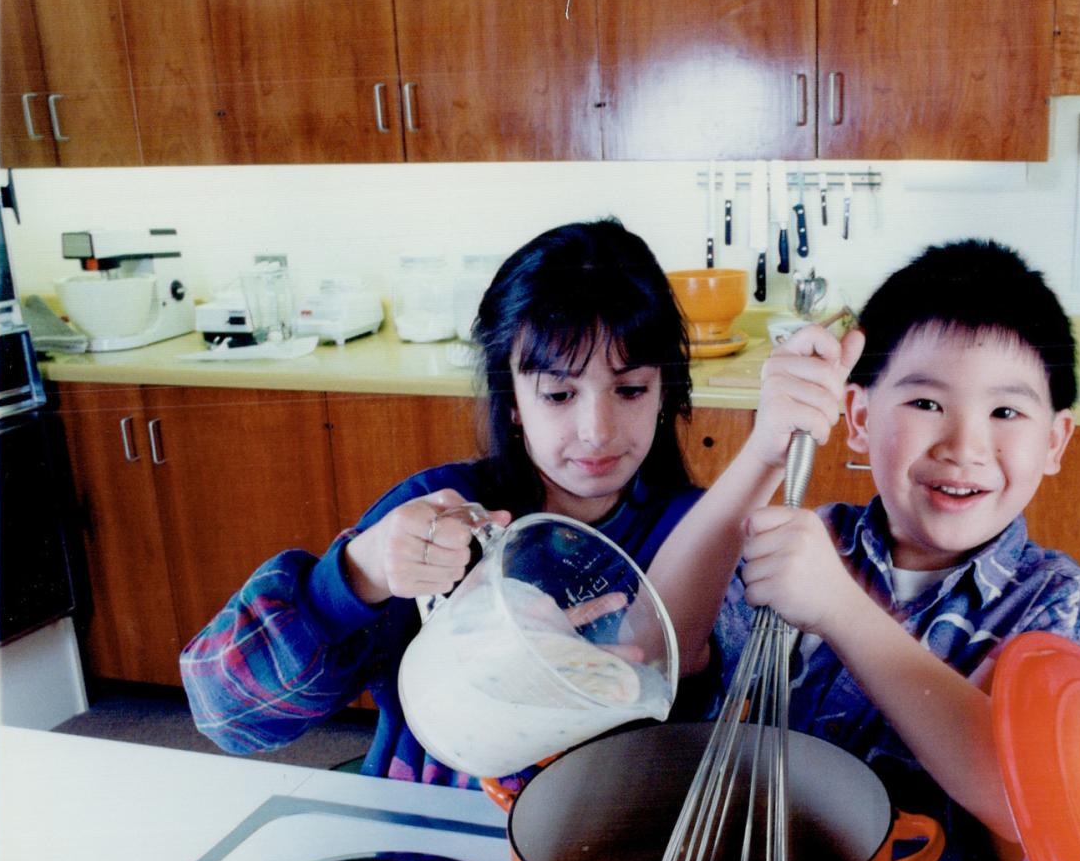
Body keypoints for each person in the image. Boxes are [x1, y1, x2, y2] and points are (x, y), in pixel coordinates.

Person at [648, 239, 1080, 861]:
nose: (964, 447)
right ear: (860, 417)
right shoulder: (809, 544)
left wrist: (841, 611)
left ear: (1055, 441)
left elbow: (1029, 801)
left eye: (1005, 411)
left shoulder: (1062, 607)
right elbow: (652, 653)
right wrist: (763, 451)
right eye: (926, 403)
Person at [182, 218, 704, 789]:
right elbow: (223, 712)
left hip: (613, 846)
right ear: (511, 401)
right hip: (436, 838)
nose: (597, 431)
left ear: (663, 392)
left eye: (629, 390)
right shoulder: (439, 521)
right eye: (558, 393)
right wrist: (357, 577)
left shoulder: (700, 536)